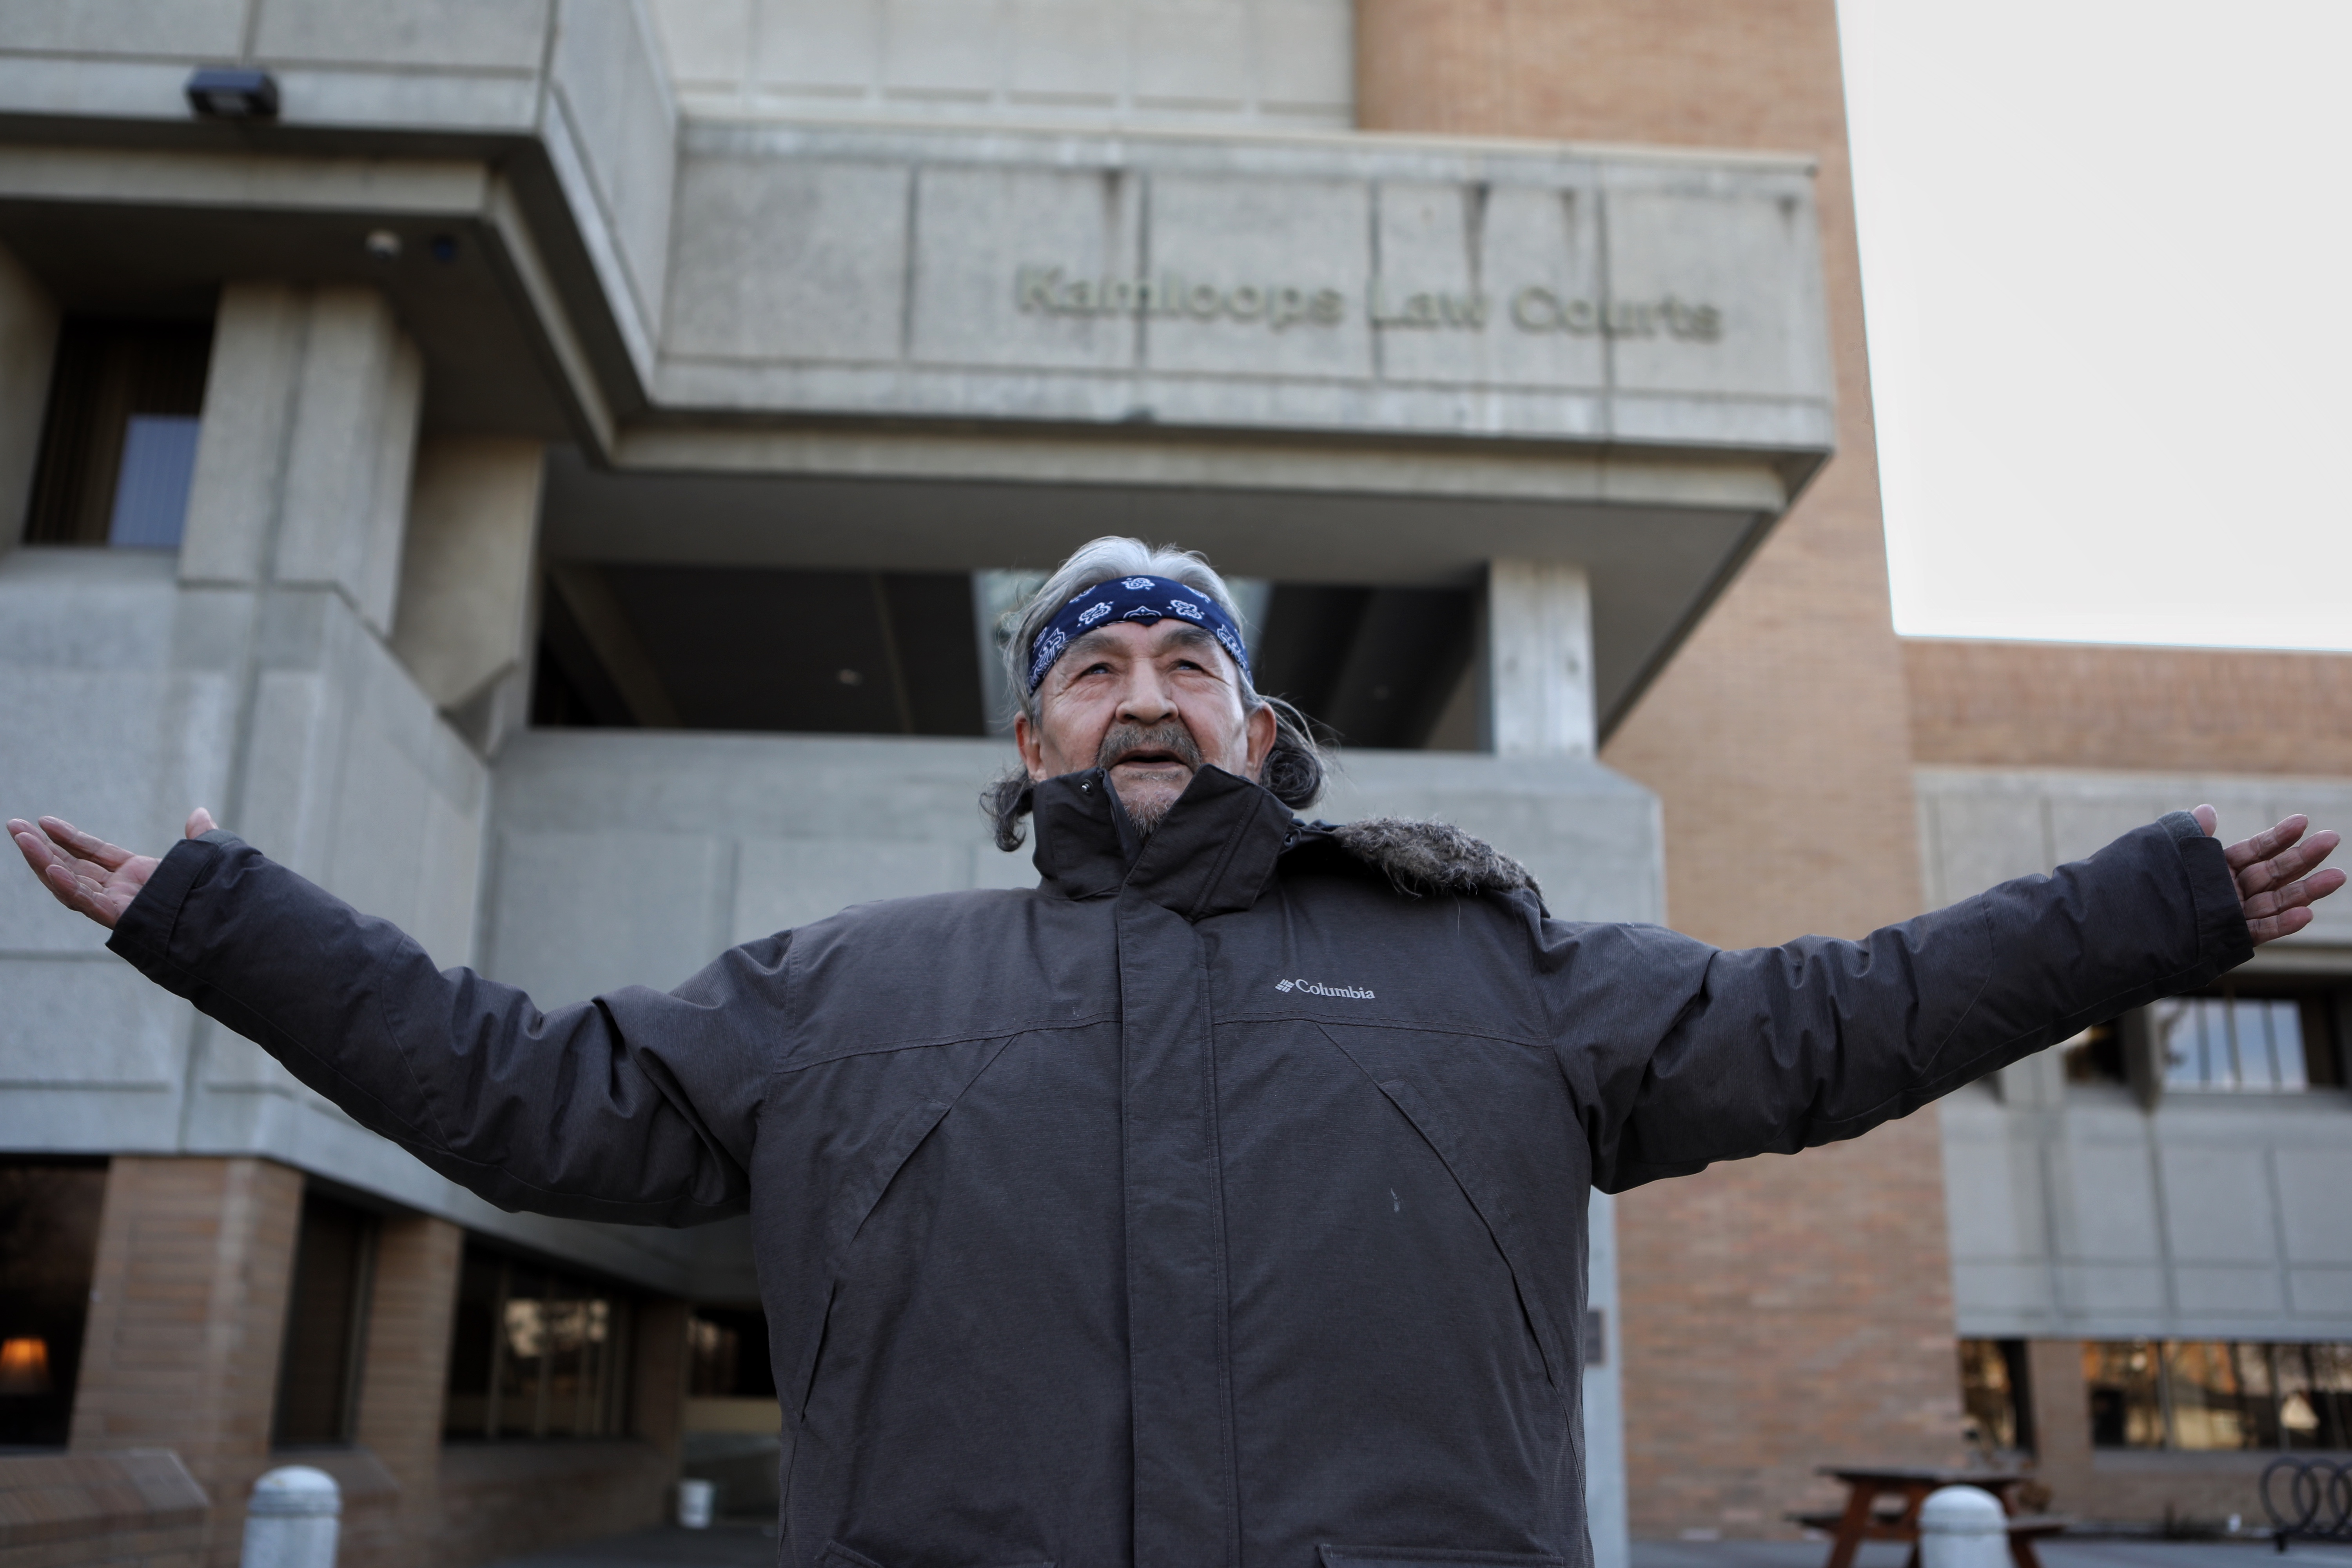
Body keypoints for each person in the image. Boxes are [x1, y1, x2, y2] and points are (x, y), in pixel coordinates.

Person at [10, 536, 2342, 1568]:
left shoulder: (1491, 968)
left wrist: (2146, 912)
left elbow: (1832, 1022)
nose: (1143, 686)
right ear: (1029, 730)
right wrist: (232, 923)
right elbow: (523, 1090)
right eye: (1093, 662)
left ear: (1261, 723)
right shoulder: (849, 986)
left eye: (1187, 663)